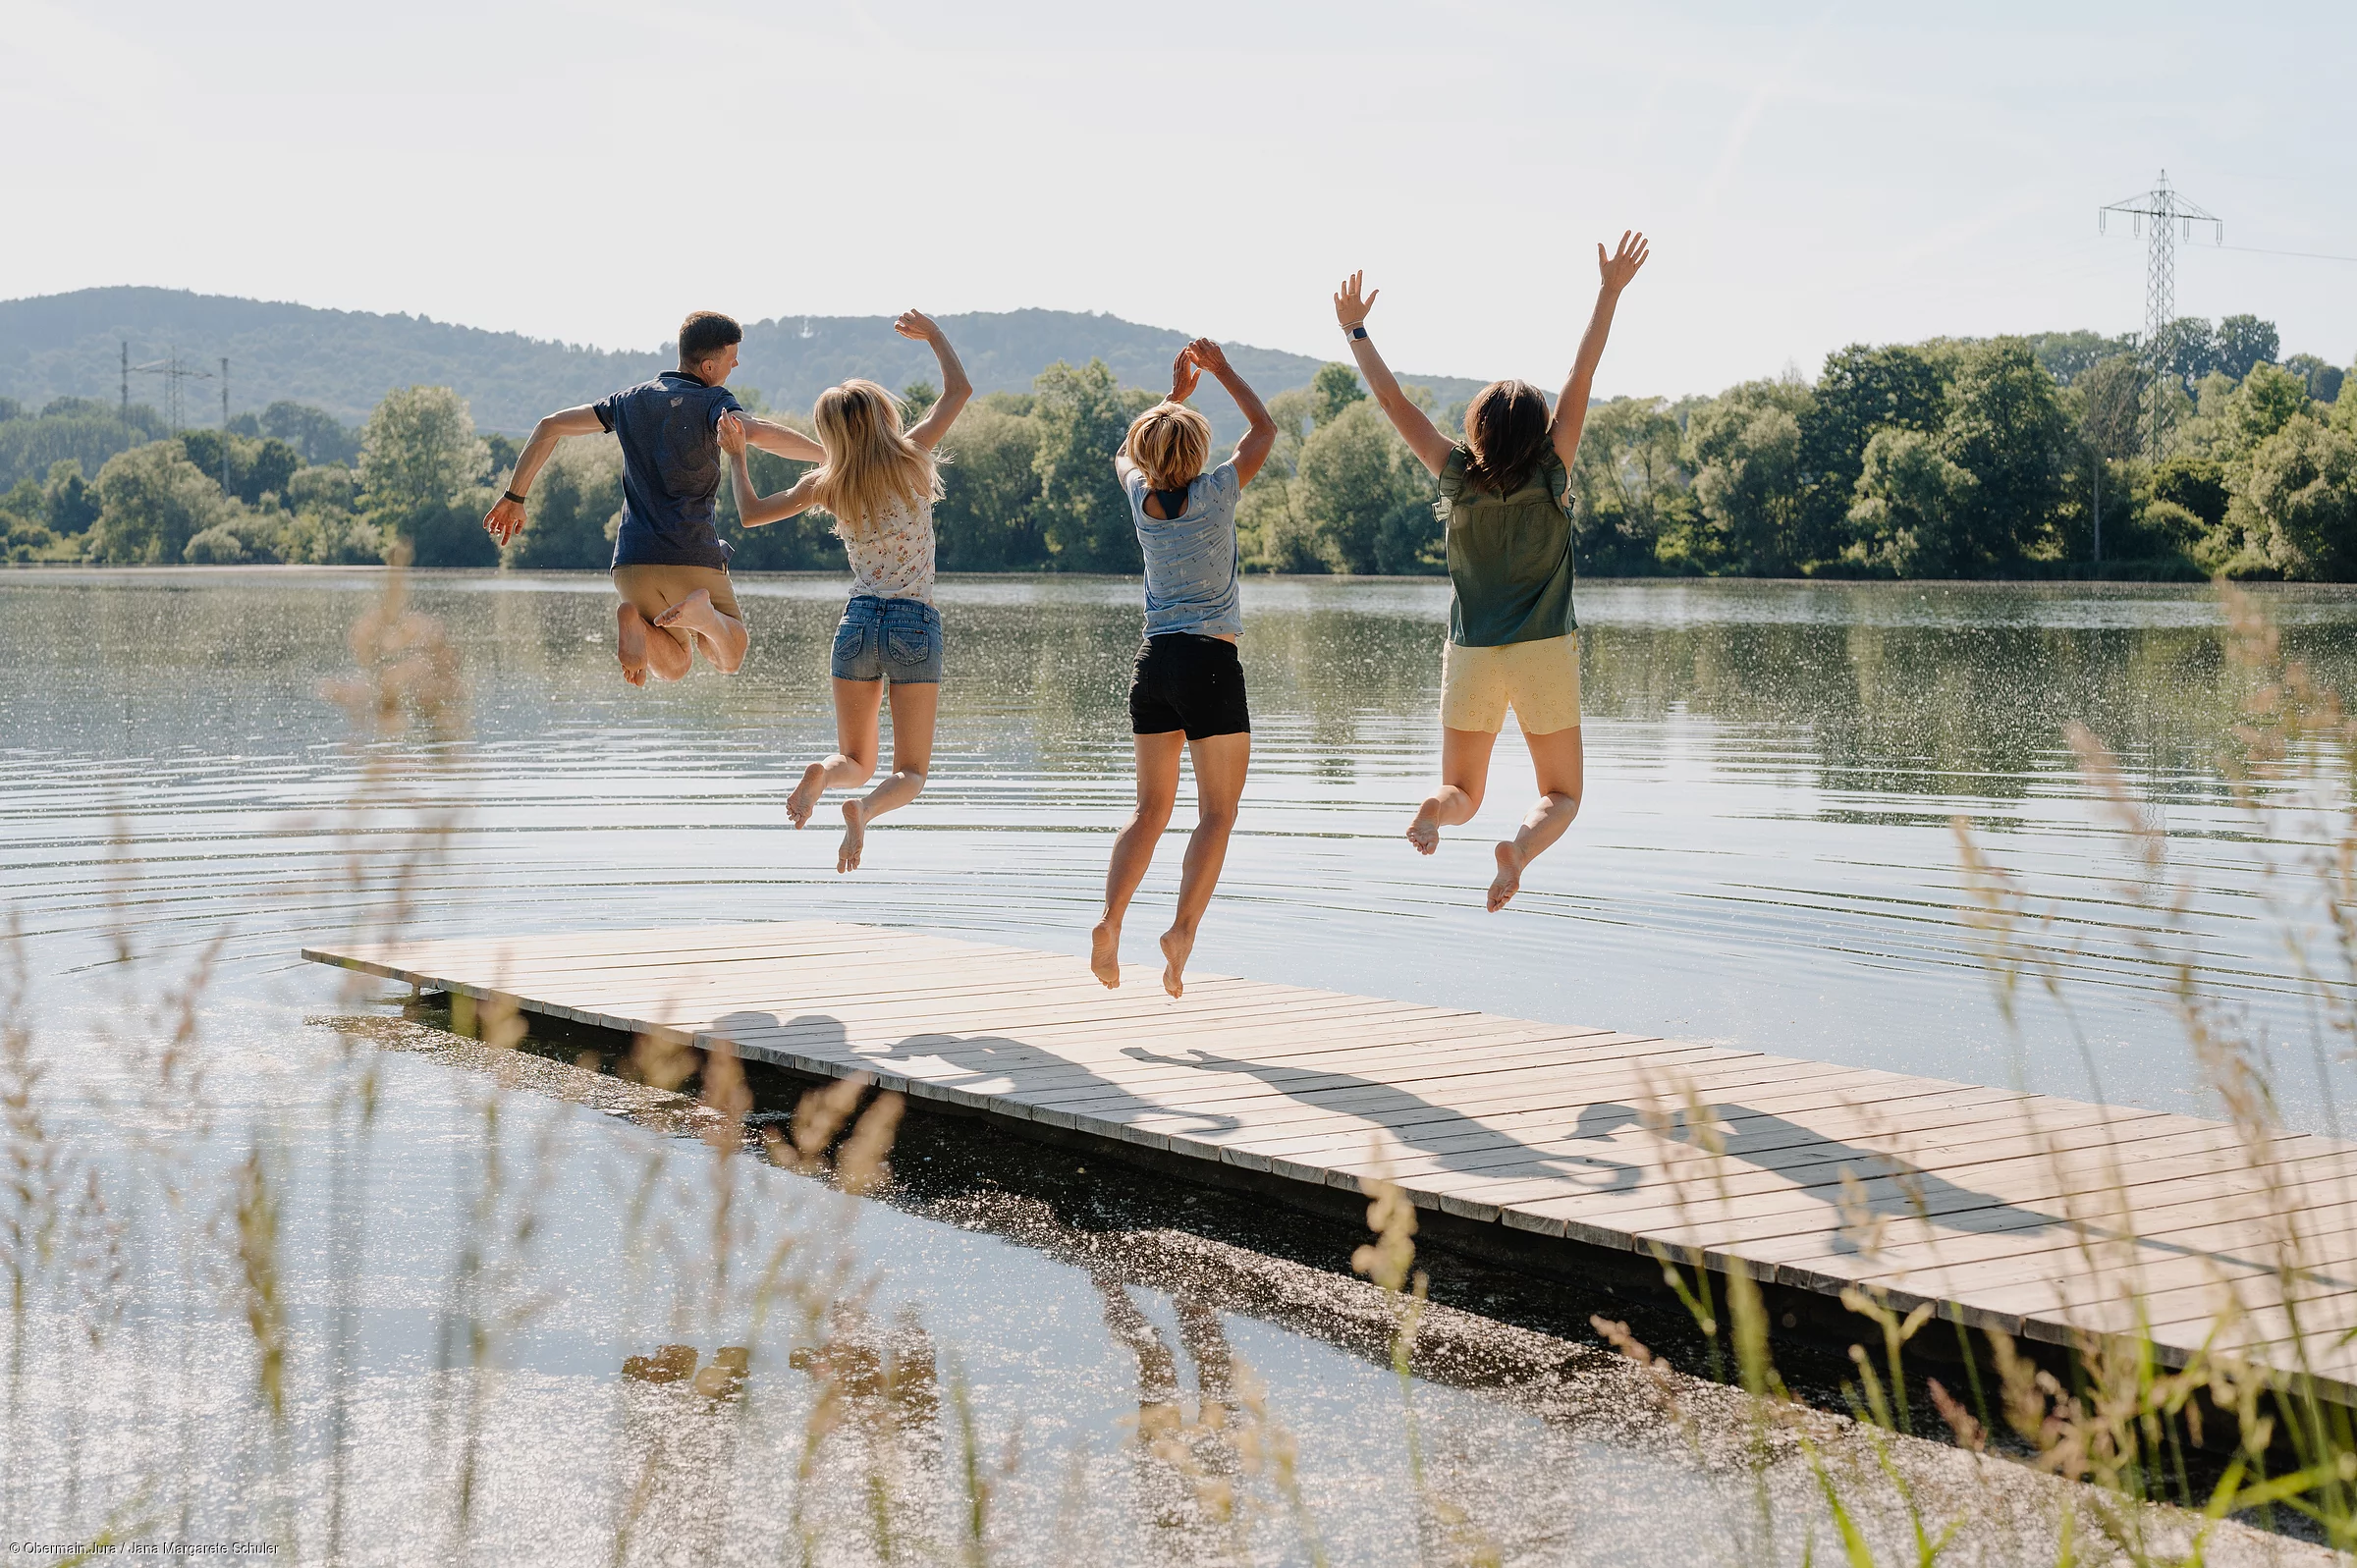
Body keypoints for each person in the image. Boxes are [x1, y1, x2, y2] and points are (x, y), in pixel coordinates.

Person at [1334, 233, 1649, 911]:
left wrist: (1357, 329)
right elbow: (1582, 375)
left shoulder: (1455, 475)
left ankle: (1433, 810)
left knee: (1463, 794)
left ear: (1476, 429)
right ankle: (1521, 850)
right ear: (1539, 430)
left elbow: (1393, 403)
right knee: (1561, 795)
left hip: (1473, 650)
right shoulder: (1553, 471)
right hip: (1543, 651)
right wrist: (1609, 290)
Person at [719, 310, 972, 873]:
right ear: (884, 416)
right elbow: (959, 391)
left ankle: (827, 777)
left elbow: (752, 514)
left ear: (830, 433)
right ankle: (865, 810)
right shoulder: (912, 455)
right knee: (911, 773)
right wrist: (934, 336)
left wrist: (737, 456)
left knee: (854, 758)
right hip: (913, 623)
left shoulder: (825, 482)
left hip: (857, 623)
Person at [482, 310, 824, 685]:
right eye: (732, 357)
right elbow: (757, 432)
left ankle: (640, 627)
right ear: (709, 366)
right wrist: (828, 455)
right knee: (730, 655)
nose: (736, 363)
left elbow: (550, 426)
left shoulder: (628, 401)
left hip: (631, 564)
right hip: (691, 555)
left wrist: (515, 496)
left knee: (676, 664)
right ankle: (704, 617)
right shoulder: (713, 401)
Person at [1089, 340, 1276, 998]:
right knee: (1217, 813)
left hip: (1153, 665)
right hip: (1210, 661)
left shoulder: (1140, 496)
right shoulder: (1220, 490)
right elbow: (1265, 429)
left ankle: (1110, 920)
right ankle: (1180, 931)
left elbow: (1124, 453)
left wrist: (1174, 398)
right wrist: (1220, 371)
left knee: (1149, 811)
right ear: (1197, 455)